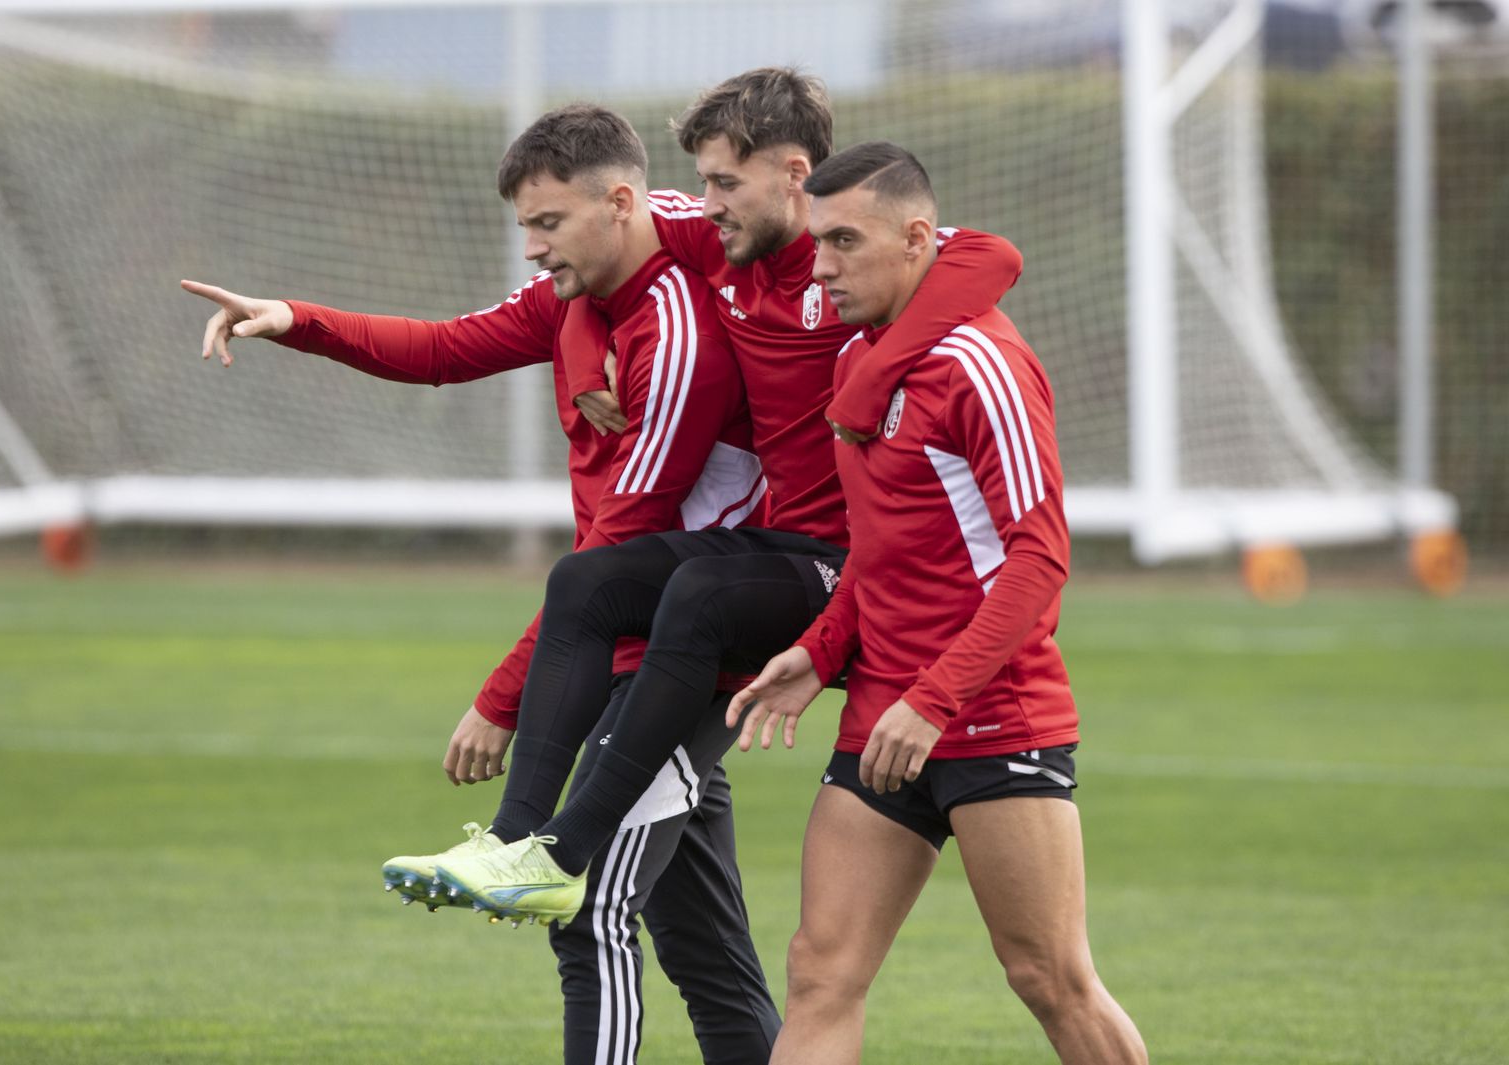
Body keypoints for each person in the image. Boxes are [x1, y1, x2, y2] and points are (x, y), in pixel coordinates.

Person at [183, 104, 782, 1065]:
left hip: (682, 653)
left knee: (585, 912)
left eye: (548, 224)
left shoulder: (677, 336)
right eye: (526, 226)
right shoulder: (581, 292)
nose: (533, 247)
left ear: (618, 204)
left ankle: (515, 842)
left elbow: (620, 549)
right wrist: (295, 319)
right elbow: (442, 350)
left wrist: (505, 700)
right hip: (638, 641)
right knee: (705, 950)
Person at [408, 69, 1025, 929]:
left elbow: (997, 257)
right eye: (703, 180)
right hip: (781, 550)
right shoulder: (717, 238)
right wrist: (582, 354)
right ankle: (517, 843)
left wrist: (872, 373)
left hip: (851, 576)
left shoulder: (859, 256)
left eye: (724, 181)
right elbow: (602, 260)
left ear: (794, 175)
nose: (705, 203)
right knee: (583, 580)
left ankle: (562, 855)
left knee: (1048, 973)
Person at [726, 141, 1148, 1065]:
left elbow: (1039, 558)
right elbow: (882, 550)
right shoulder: (860, 360)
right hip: (883, 719)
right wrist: (823, 649)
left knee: (1050, 978)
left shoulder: (981, 364)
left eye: (845, 241)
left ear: (917, 238)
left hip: (992, 716)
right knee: (821, 971)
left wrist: (935, 698)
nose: (822, 266)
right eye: (817, 241)